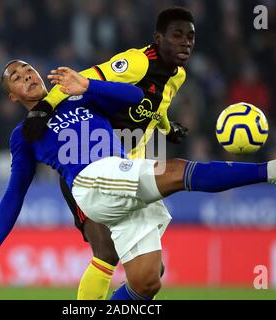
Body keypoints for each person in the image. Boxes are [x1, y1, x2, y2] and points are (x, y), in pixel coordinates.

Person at [0, 60, 276, 300]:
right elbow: (15, 193)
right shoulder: (23, 134)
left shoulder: (80, 96)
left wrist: (88, 85)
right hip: (92, 182)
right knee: (174, 170)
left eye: (29, 70)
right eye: (17, 78)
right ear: (11, 96)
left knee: (147, 281)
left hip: (118, 173)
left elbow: (136, 98)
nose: (27, 77)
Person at [22, 6, 195, 300]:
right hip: (92, 168)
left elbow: (155, 107)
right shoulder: (136, 62)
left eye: (190, 37)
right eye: (177, 35)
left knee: (151, 275)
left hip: (128, 169)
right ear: (158, 38)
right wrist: (44, 108)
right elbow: (78, 80)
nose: (185, 42)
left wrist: (167, 128)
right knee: (106, 254)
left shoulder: (178, 76)